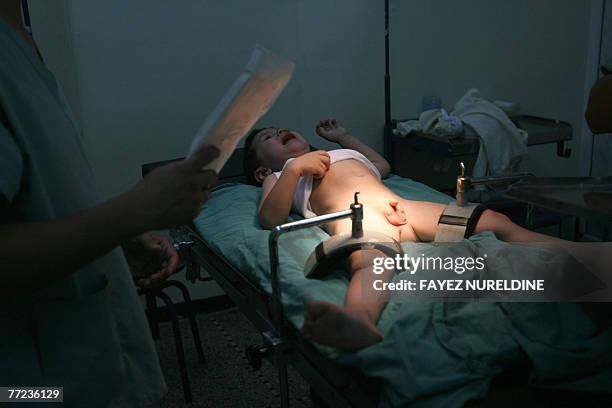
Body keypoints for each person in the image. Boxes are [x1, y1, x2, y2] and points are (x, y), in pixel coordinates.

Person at [0, 1, 218, 406]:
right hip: (27, 391)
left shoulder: (20, 37)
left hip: (89, 366)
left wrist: (114, 239)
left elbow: (40, 202)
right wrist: (132, 212)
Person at [243, 118, 594, 351]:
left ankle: (577, 251)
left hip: (404, 209)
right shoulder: (285, 174)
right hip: (361, 221)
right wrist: (294, 171)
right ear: (262, 171)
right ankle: (359, 318)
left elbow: (381, 167)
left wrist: (342, 138)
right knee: (371, 262)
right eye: (267, 138)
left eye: (279, 128)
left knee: (495, 221)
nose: (278, 132)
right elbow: (269, 217)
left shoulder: (340, 153)